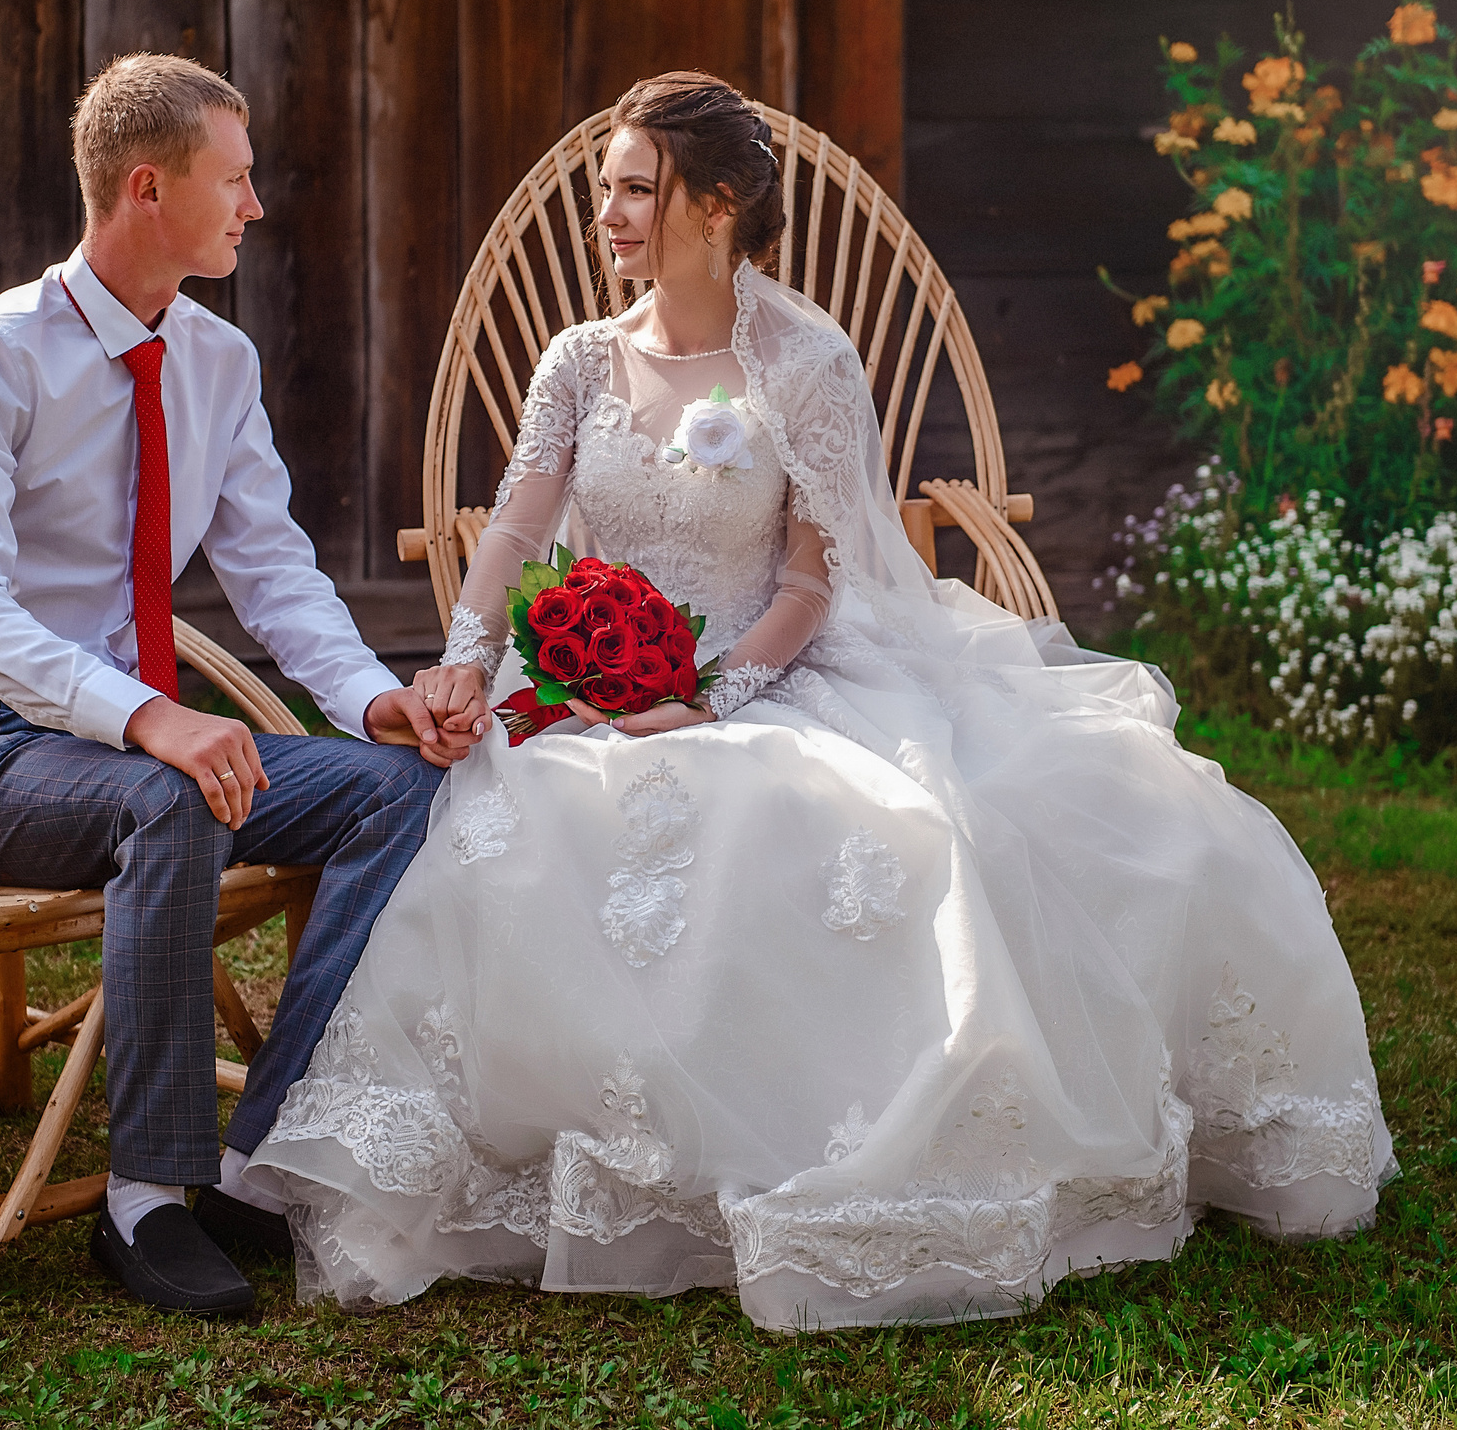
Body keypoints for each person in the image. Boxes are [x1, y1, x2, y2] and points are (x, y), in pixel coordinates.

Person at [242, 71, 1396, 1331]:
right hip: (585, 681)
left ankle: (791, 1141)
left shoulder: (803, 360)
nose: (608, 217)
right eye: (603, 190)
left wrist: (718, 693)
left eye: (636, 188)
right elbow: (517, 522)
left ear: (720, 202)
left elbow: (814, 571)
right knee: (506, 820)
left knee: (827, 822)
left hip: (774, 667)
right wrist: (468, 654)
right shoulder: (577, 359)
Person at [0, 53, 482, 1316]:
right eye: (237, 180)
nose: (254, 207)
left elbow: (274, 570)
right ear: (147, 187)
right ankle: (144, 1198)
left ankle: (258, 1161)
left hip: (131, 748)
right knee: (169, 795)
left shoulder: (216, 361)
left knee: (400, 785)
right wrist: (149, 715)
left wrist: (372, 699)